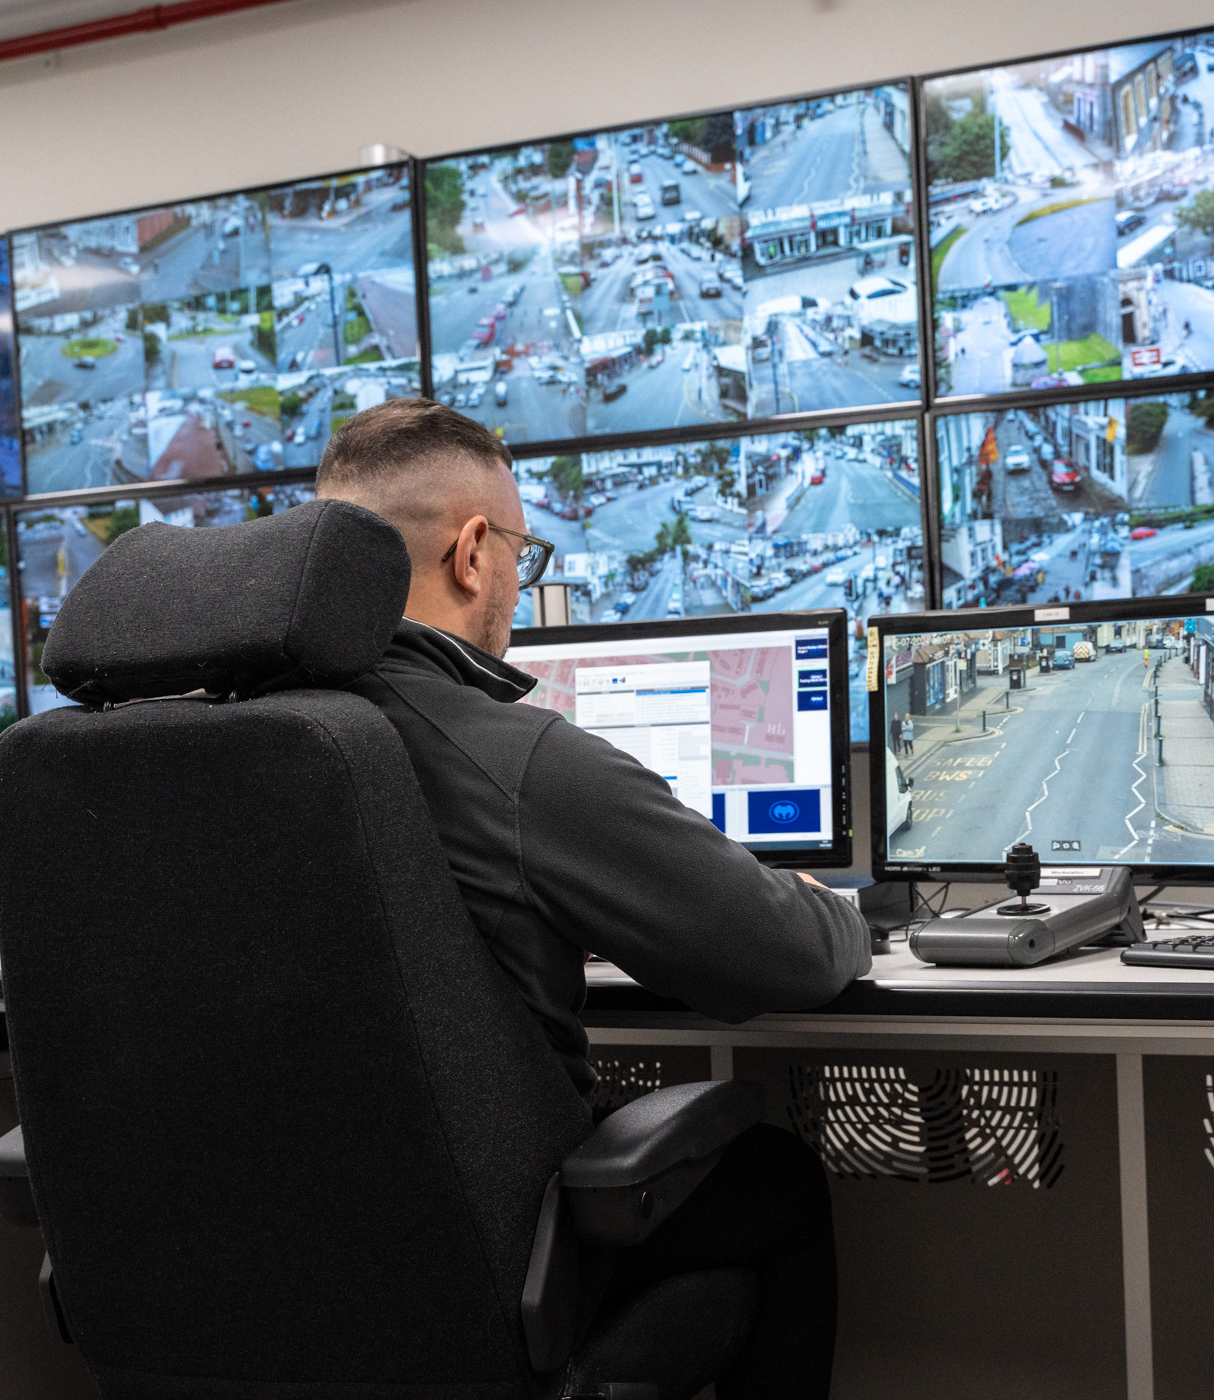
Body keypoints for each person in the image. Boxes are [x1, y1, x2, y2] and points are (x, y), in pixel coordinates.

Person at [317, 399, 866, 1400]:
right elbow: (781, 957)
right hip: (478, 1259)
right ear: (473, 552)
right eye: (526, 550)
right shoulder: (509, 754)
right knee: (774, 1181)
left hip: (248, 1258)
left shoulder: (191, 746)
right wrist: (831, 907)